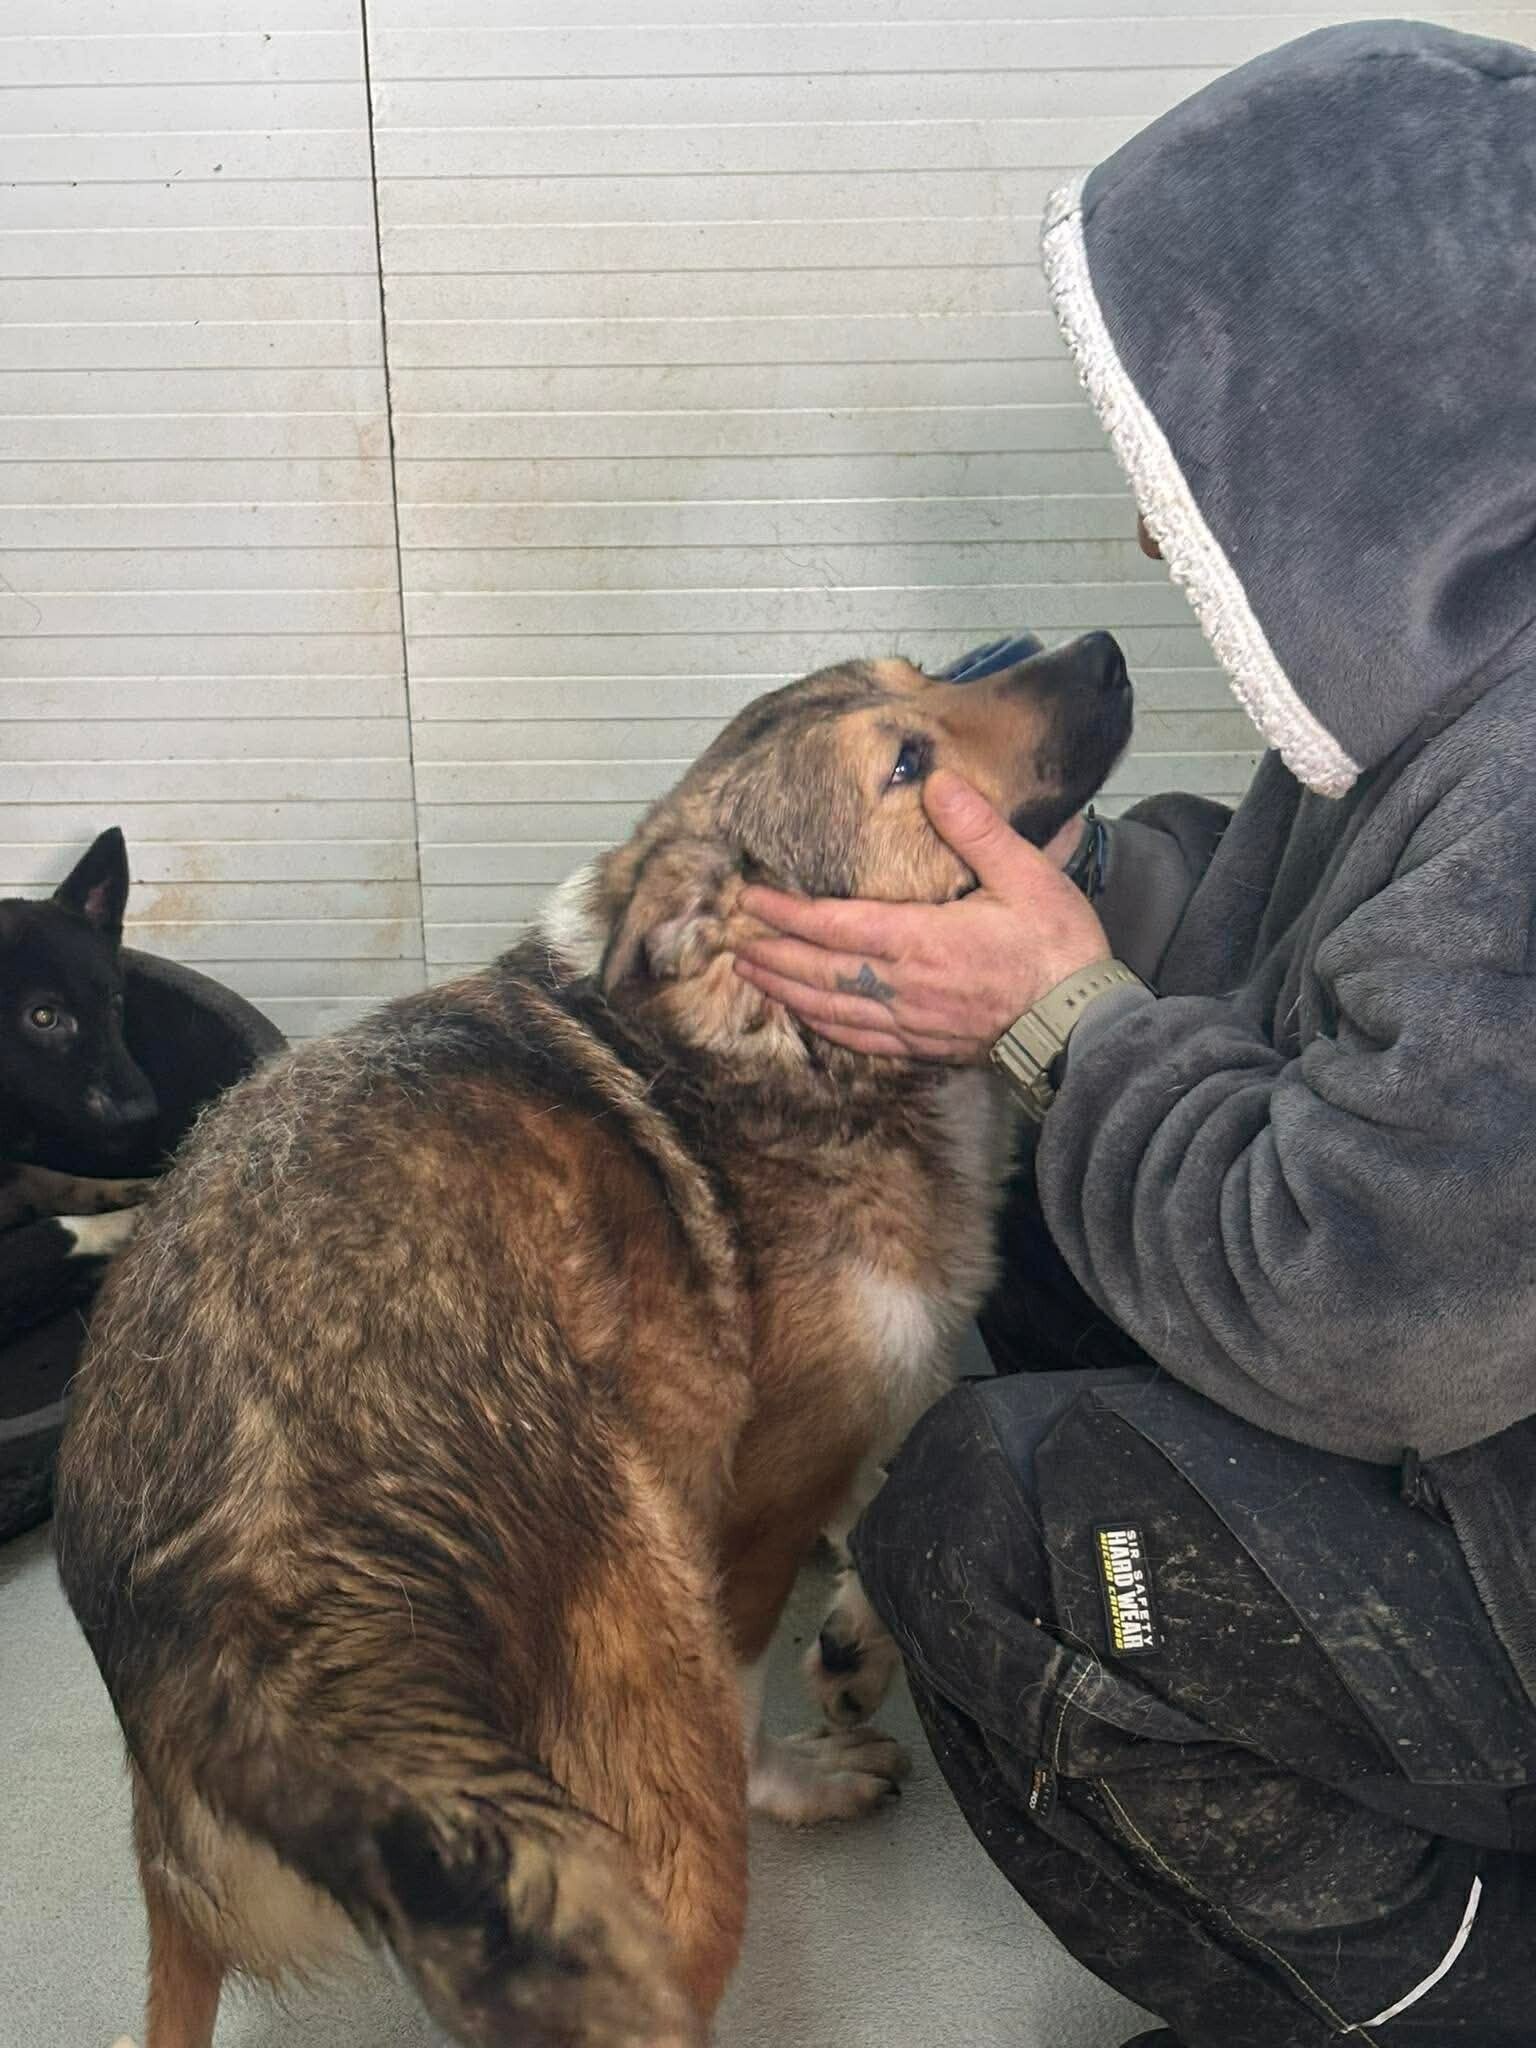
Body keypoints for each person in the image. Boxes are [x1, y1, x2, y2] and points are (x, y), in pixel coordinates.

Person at [733, 21, 1536, 2047]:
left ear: (1367, 419)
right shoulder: (1461, 665)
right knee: (1023, 1246)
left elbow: (1375, 1322)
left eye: (1191, 460)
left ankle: (1455, 1991)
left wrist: (1062, 1012)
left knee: (981, 1524)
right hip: (1467, 1432)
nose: (1167, 534)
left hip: (1463, 1457)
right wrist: (1072, 898)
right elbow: (1321, 977)